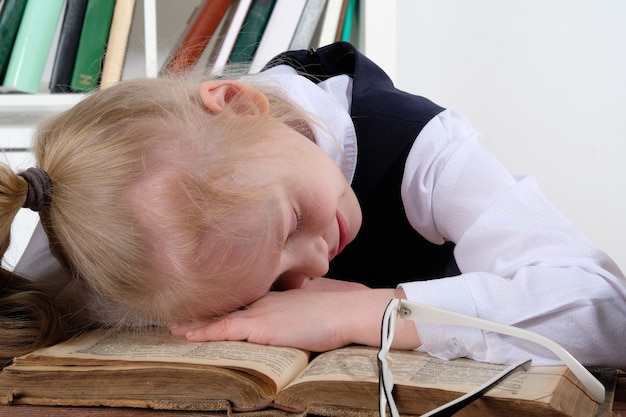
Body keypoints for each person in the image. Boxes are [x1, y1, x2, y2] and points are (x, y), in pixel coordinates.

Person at [2, 42, 625, 369]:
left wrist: (367, 312)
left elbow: (605, 310)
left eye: (293, 220)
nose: (317, 268)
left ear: (243, 104)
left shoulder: (422, 146)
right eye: (271, 285)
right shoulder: (101, 215)